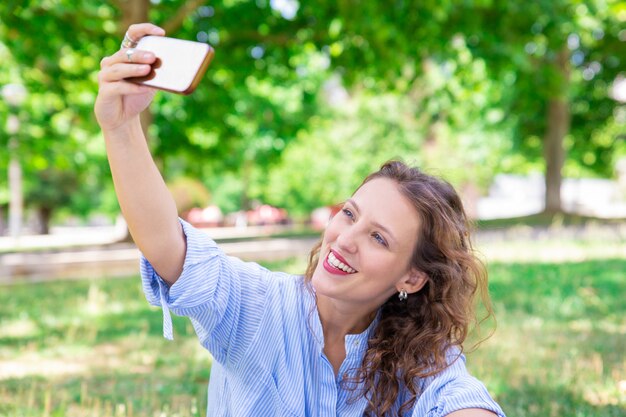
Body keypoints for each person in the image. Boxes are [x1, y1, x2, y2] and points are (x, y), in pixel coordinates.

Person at [95, 23, 506, 417]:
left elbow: (459, 398)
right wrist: (120, 126)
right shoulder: (259, 308)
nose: (345, 239)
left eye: (379, 238)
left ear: (412, 278)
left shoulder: (419, 356)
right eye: (349, 214)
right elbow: (168, 244)